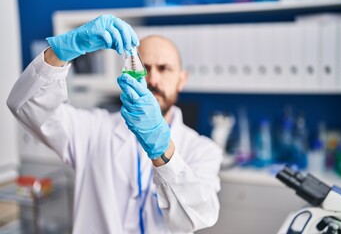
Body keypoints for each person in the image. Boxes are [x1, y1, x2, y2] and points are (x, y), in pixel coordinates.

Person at [7, 14, 223, 234]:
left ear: (181, 79)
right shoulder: (93, 130)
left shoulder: (203, 150)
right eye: (145, 67)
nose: (154, 80)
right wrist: (62, 51)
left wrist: (162, 147)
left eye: (164, 68)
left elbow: (197, 216)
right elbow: (25, 106)